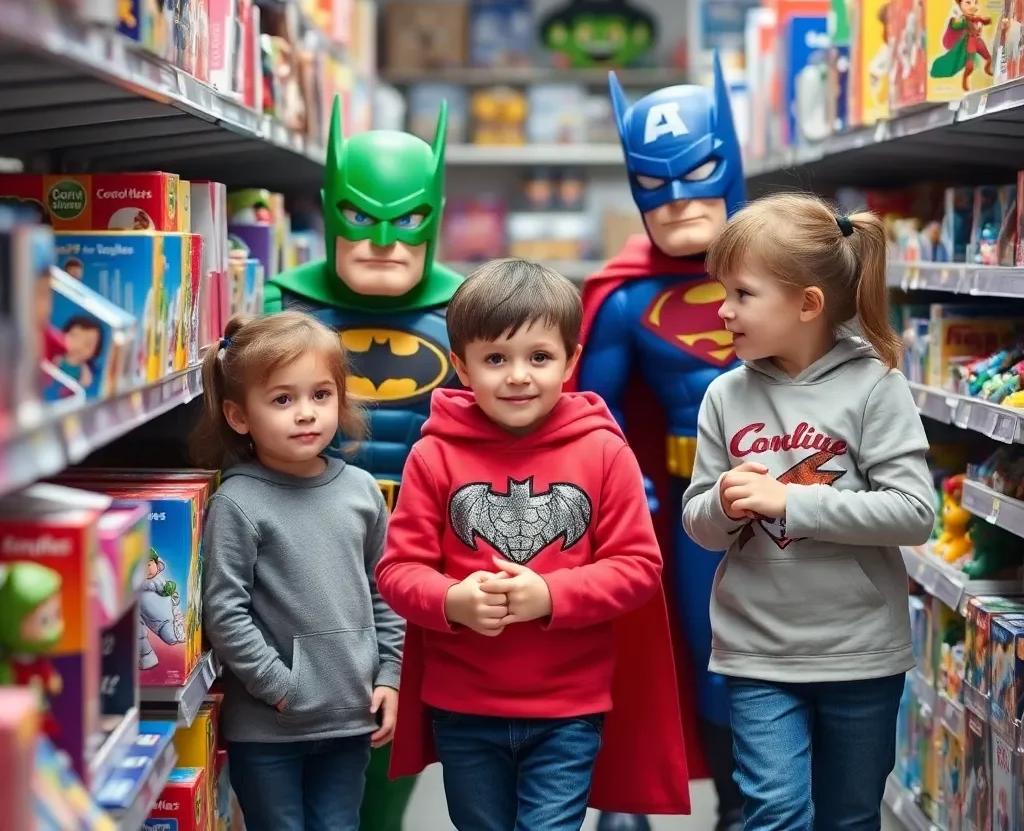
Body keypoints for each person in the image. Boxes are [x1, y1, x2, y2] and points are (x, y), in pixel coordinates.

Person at [376, 258, 691, 831]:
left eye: (539, 357)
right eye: (496, 358)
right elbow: (398, 569)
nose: (518, 375)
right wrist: (452, 601)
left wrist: (551, 593)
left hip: (569, 708)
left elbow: (639, 566)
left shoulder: (603, 451)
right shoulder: (434, 454)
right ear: (461, 367)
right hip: (465, 706)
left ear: (571, 361)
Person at [681, 193, 936, 831]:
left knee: (849, 816)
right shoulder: (725, 395)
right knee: (775, 812)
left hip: (860, 652)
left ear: (807, 304)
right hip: (757, 653)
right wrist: (723, 505)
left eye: (741, 293)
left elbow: (912, 513)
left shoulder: (876, 385)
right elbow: (700, 526)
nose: (723, 309)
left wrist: (791, 501)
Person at [265, 96, 463, 831]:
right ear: (328, 209)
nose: (382, 240)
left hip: (421, 550)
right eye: (361, 216)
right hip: (301, 545)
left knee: (403, 714)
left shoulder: (468, 312)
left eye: (408, 218)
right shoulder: (280, 302)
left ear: (437, 214)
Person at [569, 53, 746, 831]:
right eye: (653, 184)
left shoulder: (797, 268)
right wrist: (619, 490)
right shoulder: (626, 294)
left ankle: (757, 803)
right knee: (686, 648)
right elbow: (593, 413)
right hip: (686, 500)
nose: (676, 201)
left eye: (697, 172)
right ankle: (632, 788)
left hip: (803, 492)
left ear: (731, 160)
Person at [194, 311, 404, 831]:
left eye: (321, 395)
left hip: (350, 720)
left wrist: (391, 675)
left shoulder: (360, 490)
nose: (306, 413)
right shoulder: (239, 502)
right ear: (240, 416)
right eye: (283, 399)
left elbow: (385, 591)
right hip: (269, 728)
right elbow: (225, 612)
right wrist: (281, 686)